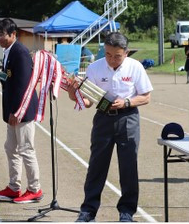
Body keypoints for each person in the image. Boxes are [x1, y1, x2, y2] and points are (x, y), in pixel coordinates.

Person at [65, 32, 152, 222]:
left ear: (126, 53)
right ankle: (88, 210)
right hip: (103, 119)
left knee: (129, 166)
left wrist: (127, 102)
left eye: (117, 56)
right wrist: (74, 94)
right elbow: (88, 101)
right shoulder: (95, 68)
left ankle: (127, 212)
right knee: (97, 165)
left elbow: (145, 96)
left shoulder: (135, 67)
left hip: (128, 119)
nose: (112, 59)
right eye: (108, 54)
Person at [0, 18, 43, 204]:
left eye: (2, 34)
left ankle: (34, 189)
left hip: (22, 110)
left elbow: (23, 86)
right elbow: (9, 79)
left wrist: (16, 111)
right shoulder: (8, 51)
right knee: (11, 148)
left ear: (13, 34)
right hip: (12, 109)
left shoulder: (19, 52)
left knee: (26, 149)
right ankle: (14, 187)